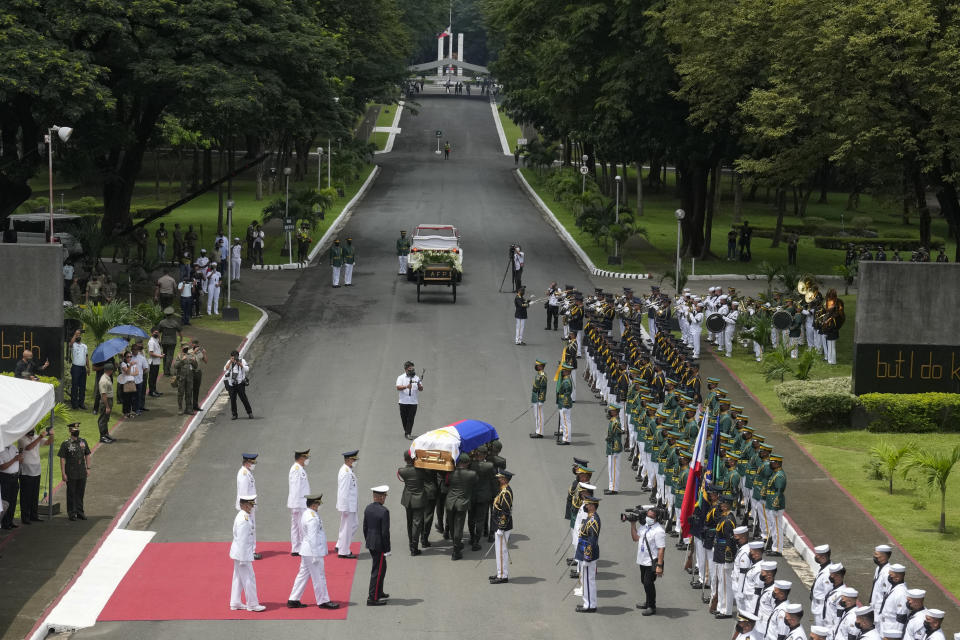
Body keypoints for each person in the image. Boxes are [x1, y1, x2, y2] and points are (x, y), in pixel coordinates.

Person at [287, 494, 340, 609]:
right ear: (314, 505)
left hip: (307, 551)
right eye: (318, 504)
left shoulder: (308, 514)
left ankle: (293, 599)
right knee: (319, 577)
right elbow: (312, 537)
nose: (319, 506)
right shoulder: (311, 517)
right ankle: (323, 601)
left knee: (303, 575)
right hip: (312, 552)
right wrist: (316, 555)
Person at [230, 495, 265, 612]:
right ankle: (253, 604)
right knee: (249, 578)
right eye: (250, 505)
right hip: (242, 554)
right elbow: (242, 540)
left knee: (238, 578)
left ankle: (235, 602)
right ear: (244, 505)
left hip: (240, 553)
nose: (252, 507)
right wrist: (243, 559)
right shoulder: (243, 519)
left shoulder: (244, 516)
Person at [631, 504, 666, 615]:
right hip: (642, 559)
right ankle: (647, 602)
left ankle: (652, 606)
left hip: (652, 561)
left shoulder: (659, 531)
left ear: (656, 519)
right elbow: (635, 538)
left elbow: (661, 549)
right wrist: (632, 525)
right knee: (644, 581)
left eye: (651, 517)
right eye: (648, 515)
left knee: (648, 583)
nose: (648, 518)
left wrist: (659, 566)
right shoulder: (645, 526)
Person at [363, 485, 392, 606]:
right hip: (379, 545)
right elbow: (385, 533)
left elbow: (365, 527)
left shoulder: (368, 508)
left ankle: (379, 592)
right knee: (377, 571)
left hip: (371, 542)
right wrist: (387, 548)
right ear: (379, 497)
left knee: (382, 568)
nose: (385, 498)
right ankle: (372, 598)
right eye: (384, 496)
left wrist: (368, 540)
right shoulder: (384, 511)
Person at [446, 453, 478, 560]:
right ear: (467, 463)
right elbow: (476, 482)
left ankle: (456, 544)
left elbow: (448, 482)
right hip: (462, 503)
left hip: (450, 502)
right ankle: (456, 551)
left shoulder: (451, 473)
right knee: (458, 527)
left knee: (452, 526)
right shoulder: (472, 474)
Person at [18, 427, 53, 524]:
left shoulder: (36, 437)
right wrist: (40, 437)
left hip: (36, 470)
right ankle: (25, 517)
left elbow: (48, 443)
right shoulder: (21, 439)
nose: (32, 430)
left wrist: (52, 435)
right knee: (26, 495)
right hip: (26, 471)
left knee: (34, 494)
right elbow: (28, 447)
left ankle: (34, 515)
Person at [57, 423, 91, 521]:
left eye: (77, 429)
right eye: (75, 429)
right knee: (71, 493)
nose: (77, 430)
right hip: (71, 472)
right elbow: (62, 459)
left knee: (80, 493)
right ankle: (72, 513)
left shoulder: (83, 441)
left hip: (81, 472)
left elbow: (87, 454)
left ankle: (80, 512)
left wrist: (88, 468)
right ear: (70, 431)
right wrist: (63, 473)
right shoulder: (66, 443)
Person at [575, 495, 601, 613]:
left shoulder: (593, 520)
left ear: (592, 506)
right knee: (585, 579)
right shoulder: (589, 518)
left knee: (588, 579)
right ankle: (588, 603)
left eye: (587, 504)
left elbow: (592, 540)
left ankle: (590, 605)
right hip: (583, 551)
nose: (585, 506)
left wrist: (587, 557)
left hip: (588, 554)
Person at [398, 451, 426, 555]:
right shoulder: (421, 471)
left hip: (407, 499)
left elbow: (401, 472)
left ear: (405, 459)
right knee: (416, 524)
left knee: (409, 523)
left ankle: (411, 544)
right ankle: (414, 547)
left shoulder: (402, 471)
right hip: (419, 500)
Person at [489, 470, 514, 584]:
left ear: (504, 479)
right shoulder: (503, 491)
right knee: (499, 551)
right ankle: (500, 572)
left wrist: (501, 527)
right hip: (499, 525)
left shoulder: (506, 493)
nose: (498, 480)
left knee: (501, 552)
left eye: (500, 478)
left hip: (502, 526)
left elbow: (505, 512)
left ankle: (503, 576)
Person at [235, 453, 261, 560]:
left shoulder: (247, 472)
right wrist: (247, 506)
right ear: (247, 462)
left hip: (249, 505)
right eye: (252, 462)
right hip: (247, 506)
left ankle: (251, 550)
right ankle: (250, 551)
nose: (254, 464)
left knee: (251, 528)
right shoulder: (244, 474)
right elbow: (244, 492)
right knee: (249, 529)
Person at [336, 450, 360, 558]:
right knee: (348, 527)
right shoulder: (345, 472)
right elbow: (343, 491)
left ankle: (340, 545)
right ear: (348, 460)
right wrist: (344, 507)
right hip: (348, 506)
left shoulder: (347, 470)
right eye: (354, 460)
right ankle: (344, 551)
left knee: (351, 525)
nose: (355, 461)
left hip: (350, 505)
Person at [287, 450, 311, 555]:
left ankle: (296, 548)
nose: (307, 460)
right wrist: (296, 505)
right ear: (301, 458)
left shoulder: (298, 468)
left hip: (298, 502)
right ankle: (300, 548)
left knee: (296, 525)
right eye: (306, 458)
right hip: (299, 503)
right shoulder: (297, 469)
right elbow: (295, 488)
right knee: (301, 525)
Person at [396, 361, 422, 439]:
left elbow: (421, 389)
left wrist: (419, 386)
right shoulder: (401, 377)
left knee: (411, 418)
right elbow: (398, 387)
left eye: (413, 369)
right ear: (406, 369)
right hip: (403, 401)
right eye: (410, 369)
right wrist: (406, 386)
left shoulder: (416, 378)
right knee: (404, 418)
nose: (412, 370)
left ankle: (408, 433)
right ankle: (406, 431)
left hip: (413, 402)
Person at [224, 350, 253, 419]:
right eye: (233, 357)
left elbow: (247, 369)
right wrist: (231, 362)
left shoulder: (242, 361)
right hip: (231, 384)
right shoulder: (229, 361)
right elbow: (225, 369)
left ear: (238, 356)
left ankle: (250, 413)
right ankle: (234, 414)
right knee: (233, 400)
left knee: (244, 399)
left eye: (235, 357)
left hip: (240, 383)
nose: (234, 359)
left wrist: (240, 364)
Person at [0, 442, 22, 529]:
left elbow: (19, 460)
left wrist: (20, 459)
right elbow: (2, 467)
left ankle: (10, 521)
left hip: (15, 477)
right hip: (5, 478)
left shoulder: (14, 448)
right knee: (6, 501)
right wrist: (15, 459)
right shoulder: (1, 450)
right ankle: (5, 522)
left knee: (13, 500)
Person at [157, 306, 182, 376]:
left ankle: (165, 370)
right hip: (172, 342)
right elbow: (180, 331)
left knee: (164, 355)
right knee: (170, 356)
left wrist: (159, 340)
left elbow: (158, 332)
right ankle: (167, 371)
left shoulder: (162, 322)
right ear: (172, 314)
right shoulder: (175, 323)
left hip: (164, 341)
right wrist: (181, 338)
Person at [69, 329, 90, 409]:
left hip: (83, 368)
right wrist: (75, 333)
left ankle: (81, 403)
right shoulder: (73, 345)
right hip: (75, 368)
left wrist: (88, 367)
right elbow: (70, 344)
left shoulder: (84, 346)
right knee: (75, 386)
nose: (78, 336)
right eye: (77, 335)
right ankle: (74, 404)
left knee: (82, 386)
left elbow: (86, 357)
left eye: (79, 335)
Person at [97, 362, 117, 443]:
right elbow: (103, 395)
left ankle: (106, 434)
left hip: (109, 400)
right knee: (103, 419)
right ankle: (102, 437)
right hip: (105, 401)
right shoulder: (104, 380)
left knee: (106, 418)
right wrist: (107, 406)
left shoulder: (107, 377)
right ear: (110, 370)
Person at [173, 345, 194, 415]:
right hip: (181, 378)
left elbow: (195, 366)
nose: (186, 349)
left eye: (187, 348)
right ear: (182, 348)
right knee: (180, 394)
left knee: (189, 393)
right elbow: (175, 366)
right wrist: (182, 361)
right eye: (185, 348)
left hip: (189, 378)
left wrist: (193, 362)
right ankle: (180, 408)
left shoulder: (191, 355)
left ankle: (188, 408)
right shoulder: (179, 356)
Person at [530, 359, 548, 438]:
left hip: (539, 398)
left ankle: (540, 432)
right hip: (535, 397)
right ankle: (538, 430)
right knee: (536, 415)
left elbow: (543, 389)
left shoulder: (543, 376)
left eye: (537, 365)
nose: (536, 366)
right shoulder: (539, 374)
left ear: (541, 366)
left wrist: (541, 399)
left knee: (539, 415)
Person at [557, 364, 574, 444]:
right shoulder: (566, 379)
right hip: (564, 402)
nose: (562, 372)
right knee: (566, 422)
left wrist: (564, 404)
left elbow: (567, 394)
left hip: (564, 403)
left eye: (564, 370)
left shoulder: (566, 381)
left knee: (566, 423)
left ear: (567, 372)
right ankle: (566, 437)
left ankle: (566, 439)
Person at [147, 329, 164, 398]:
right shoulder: (151, 342)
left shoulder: (156, 340)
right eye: (155, 332)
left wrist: (159, 336)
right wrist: (160, 356)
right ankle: (151, 392)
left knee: (155, 377)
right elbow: (151, 353)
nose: (157, 334)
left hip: (156, 362)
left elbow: (160, 343)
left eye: (158, 332)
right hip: (153, 362)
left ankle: (154, 390)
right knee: (152, 378)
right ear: (151, 333)